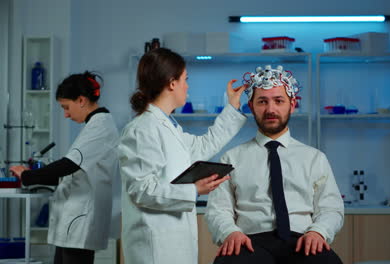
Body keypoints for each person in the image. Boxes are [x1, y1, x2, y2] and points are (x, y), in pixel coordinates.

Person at [118, 48, 247, 264]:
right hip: (154, 247)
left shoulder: (168, 126)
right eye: (185, 80)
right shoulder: (142, 129)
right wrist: (195, 189)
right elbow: (141, 189)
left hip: (174, 242)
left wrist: (232, 108)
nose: (187, 86)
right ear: (171, 83)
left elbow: (205, 144)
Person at [205, 65, 344, 264]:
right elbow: (218, 209)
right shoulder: (231, 158)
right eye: (262, 101)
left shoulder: (315, 158)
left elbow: (331, 208)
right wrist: (230, 233)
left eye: (279, 101)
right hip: (249, 242)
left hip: (303, 240)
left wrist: (318, 232)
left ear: (292, 104)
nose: (271, 109)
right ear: (251, 106)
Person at [10, 71, 119, 264]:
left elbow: (68, 165)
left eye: (66, 107)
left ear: (81, 100)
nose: (66, 114)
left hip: (80, 220)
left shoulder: (100, 126)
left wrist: (28, 176)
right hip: (75, 221)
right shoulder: (95, 124)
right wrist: (33, 176)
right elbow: (75, 170)